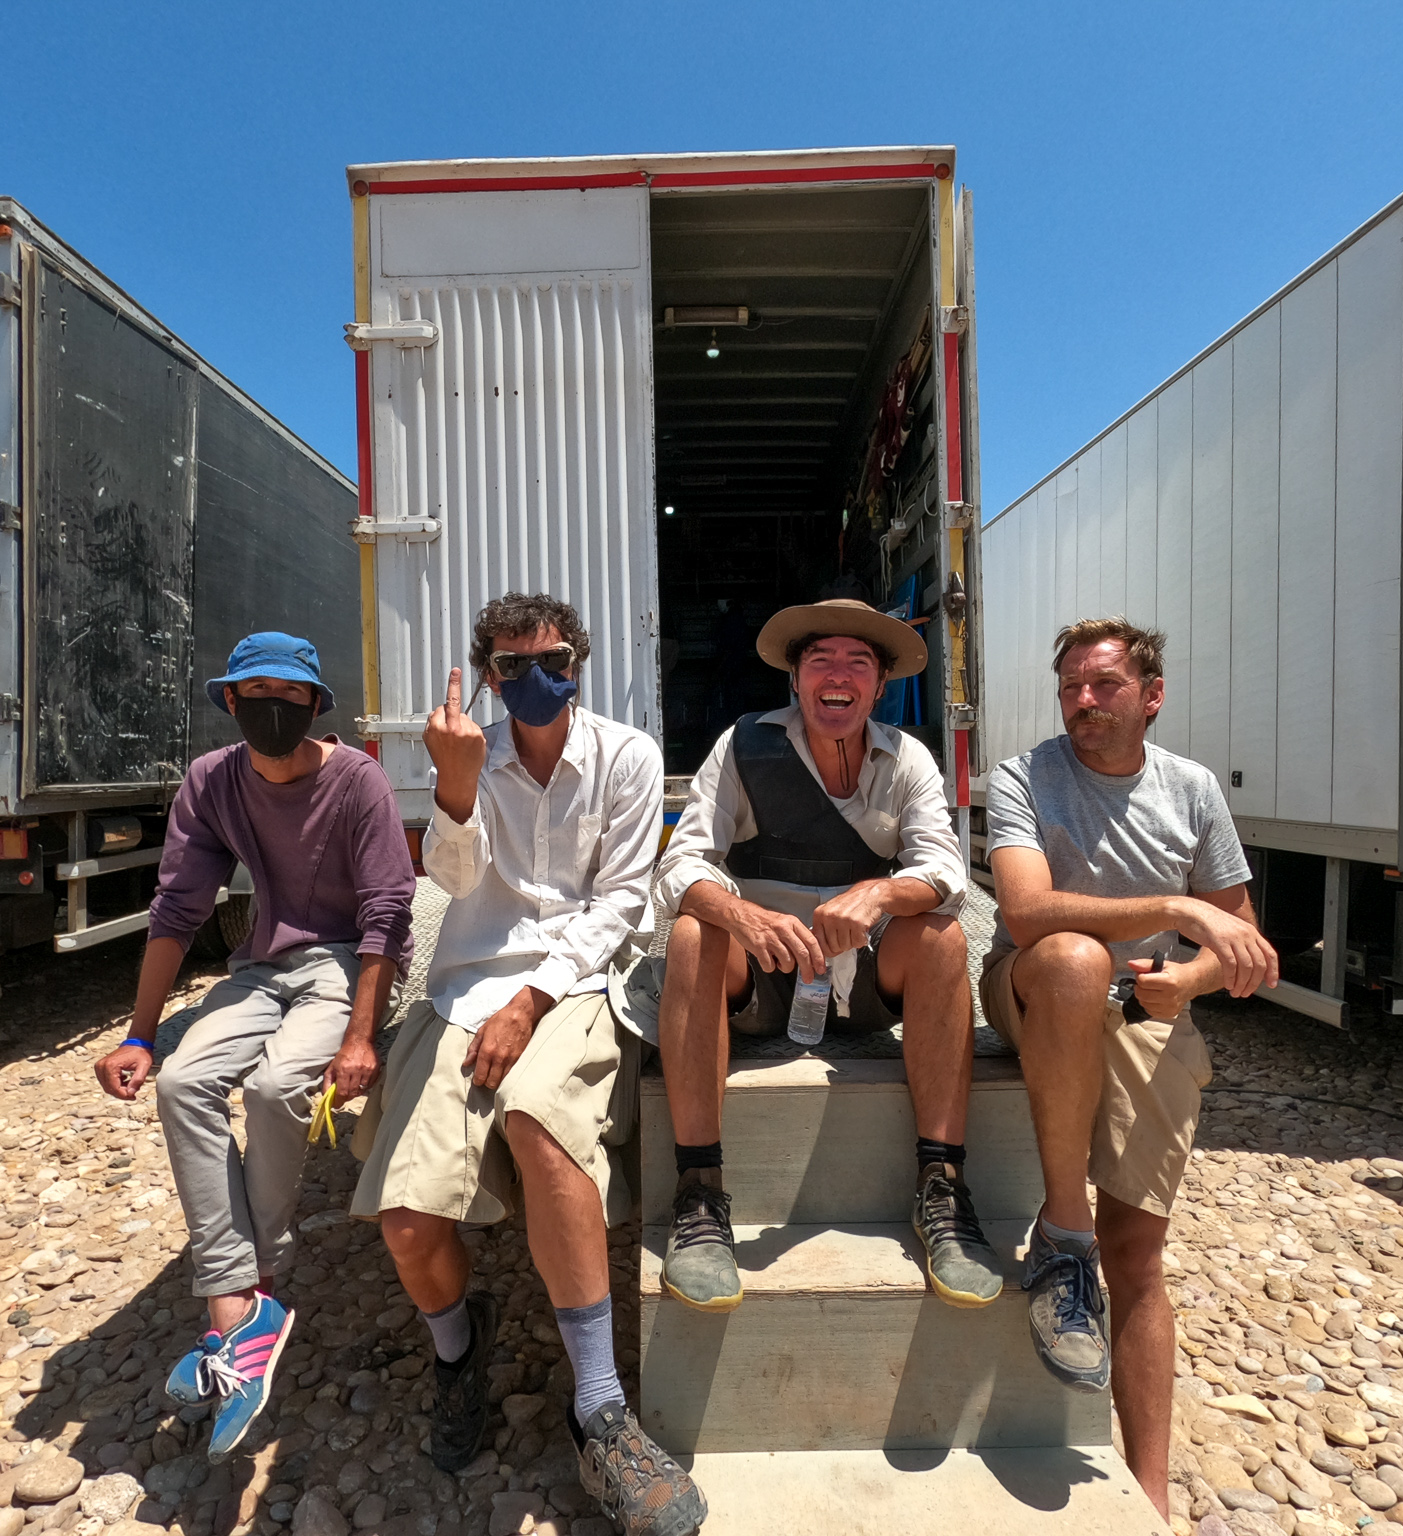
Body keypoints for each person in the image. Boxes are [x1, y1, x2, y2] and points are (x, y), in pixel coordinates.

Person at [350, 594, 705, 1536]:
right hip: (467, 988)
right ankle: (459, 1348)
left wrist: (533, 999)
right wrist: (456, 787)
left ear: (578, 664)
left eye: (553, 662)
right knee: (408, 1221)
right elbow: (453, 883)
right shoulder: (469, 757)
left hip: (579, 984)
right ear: (488, 676)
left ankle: (601, 1409)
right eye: (513, 667)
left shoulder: (626, 757)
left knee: (540, 1123)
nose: (536, 680)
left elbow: (622, 900)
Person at [92, 632, 414, 1463]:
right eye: (256, 692)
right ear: (230, 701)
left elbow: (387, 913)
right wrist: (141, 1033)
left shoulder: (358, 781)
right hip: (262, 965)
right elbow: (177, 909)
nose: (274, 706)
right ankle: (248, 1309)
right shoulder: (212, 781)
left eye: (290, 693)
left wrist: (361, 1036)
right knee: (183, 1084)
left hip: (343, 965)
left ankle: (243, 1303)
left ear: (314, 702)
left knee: (276, 1090)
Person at [981, 616, 1277, 1521]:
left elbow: (1242, 941)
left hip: (1149, 1006)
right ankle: (1062, 1238)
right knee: (1074, 958)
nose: (1084, 700)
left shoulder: (1191, 789)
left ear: (1152, 697)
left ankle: (1150, 1496)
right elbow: (1025, 914)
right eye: (1071, 685)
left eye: (1104, 684)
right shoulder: (1024, 777)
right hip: (1035, 985)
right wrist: (1175, 907)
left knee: (1140, 1254)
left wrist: (1186, 979)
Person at [654, 597, 1004, 1315]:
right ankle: (699, 1192)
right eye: (821, 659)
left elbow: (946, 869)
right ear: (795, 678)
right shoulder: (742, 746)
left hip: (864, 979)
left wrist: (880, 893)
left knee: (942, 937)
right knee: (694, 930)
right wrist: (742, 914)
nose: (838, 675)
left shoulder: (908, 758)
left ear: (879, 687)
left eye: (858, 663)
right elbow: (680, 865)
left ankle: (942, 1185)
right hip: (764, 978)